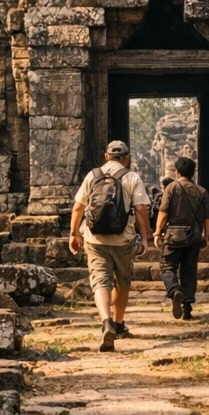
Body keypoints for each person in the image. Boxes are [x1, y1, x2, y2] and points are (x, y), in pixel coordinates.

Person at [69, 140, 152, 351]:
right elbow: (141, 209)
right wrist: (145, 238)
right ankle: (119, 323)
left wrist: (73, 233)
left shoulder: (93, 175)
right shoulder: (131, 177)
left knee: (100, 281)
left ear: (106, 156)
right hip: (122, 239)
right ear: (127, 158)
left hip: (94, 239)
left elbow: (78, 207)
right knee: (122, 282)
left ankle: (106, 321)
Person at [154, 156, 209, 321]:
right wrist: (206, 236)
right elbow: (208, 217)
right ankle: (187, 306)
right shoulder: (201, 191)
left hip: (173, 235)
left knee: (167, 266)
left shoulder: (172, 188)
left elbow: (164, 212)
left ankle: (174, 291)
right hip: (194, 236)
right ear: (193, 173)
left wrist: (157, 232)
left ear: (177, 171)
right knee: (189, 269)